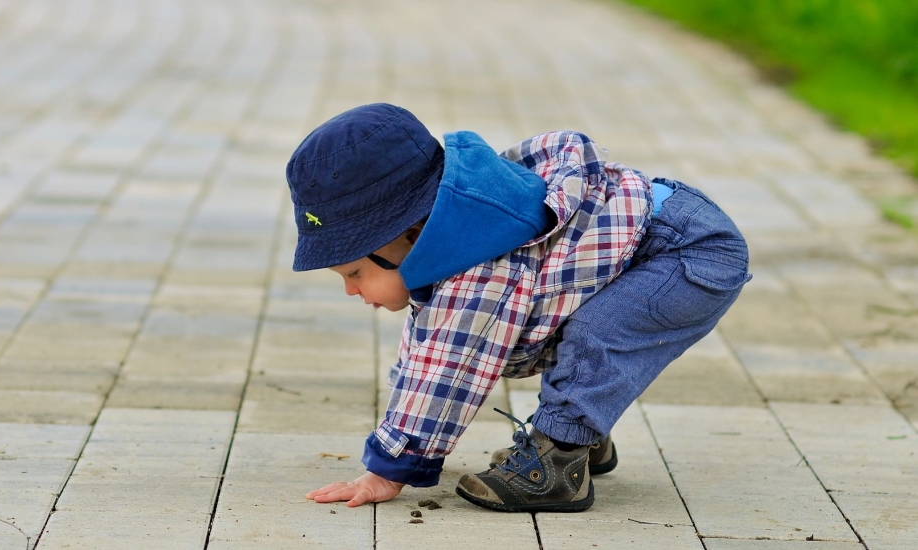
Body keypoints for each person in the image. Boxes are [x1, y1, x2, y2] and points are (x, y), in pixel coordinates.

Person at [288, 103, 751, 512]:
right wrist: (397, 426)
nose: (352, 291)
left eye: (354, 274)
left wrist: (390, 469)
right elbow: (424, 353)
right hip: (644, 240)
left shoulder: (481, 265)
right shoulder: (452, 238)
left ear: (408, 234)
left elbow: (449, 368)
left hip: (686, 250)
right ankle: (579, 435)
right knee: (551, 321)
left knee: (596, 335)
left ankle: (557, 463)